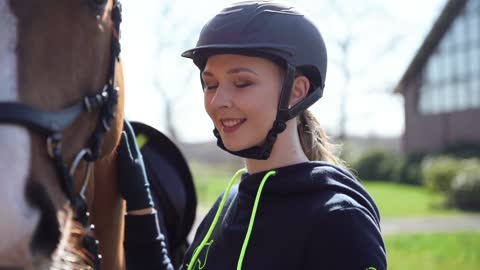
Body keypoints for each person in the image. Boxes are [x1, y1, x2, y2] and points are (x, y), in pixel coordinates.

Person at [119, 1, 387, 269]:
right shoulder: (227, 206)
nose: (218, 101)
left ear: (297, 91)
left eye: (242, 83)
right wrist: (142, 205)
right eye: (211, 84)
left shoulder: (340, 223)